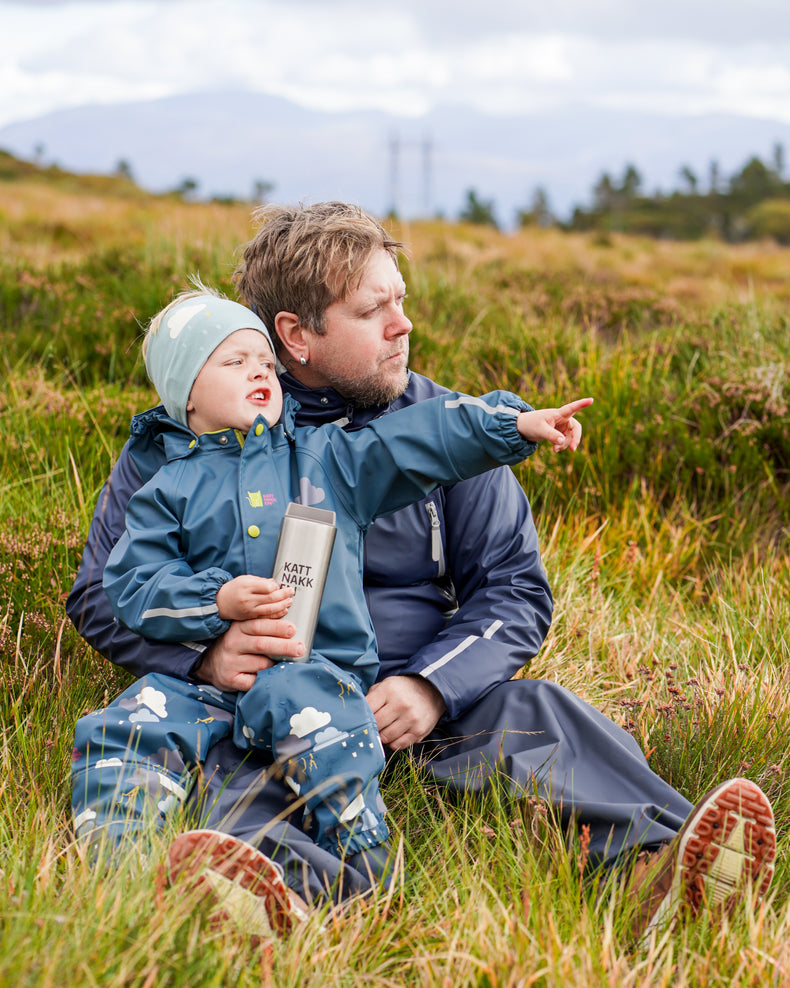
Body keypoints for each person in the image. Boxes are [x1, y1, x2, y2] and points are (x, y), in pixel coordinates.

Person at [66, 202, 775, 943]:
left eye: (401, 300)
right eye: (374, 310)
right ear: (296, 335)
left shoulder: (439, 430)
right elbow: (102, 590)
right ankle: (291, 911)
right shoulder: (182, 444)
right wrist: (205, 656)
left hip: (426, 709)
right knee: (234, 766)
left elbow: (514, 588)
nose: (403, 325)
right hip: (270, 702)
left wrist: (431, 686)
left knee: (541, 715)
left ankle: (666, 870)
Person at [77, 281, 588, 896]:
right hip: (225, 694)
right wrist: (211, 618)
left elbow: (418, 443)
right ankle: (127, 876)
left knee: (341, 728)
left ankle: (368, 871)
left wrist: (511, 425)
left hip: (332, 680)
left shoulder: (326, 457)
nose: (259, 372)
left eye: (263, 360)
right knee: (134, 725)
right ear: (184, 393)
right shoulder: (162, 480)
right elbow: (125, 584)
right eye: (234, 363)